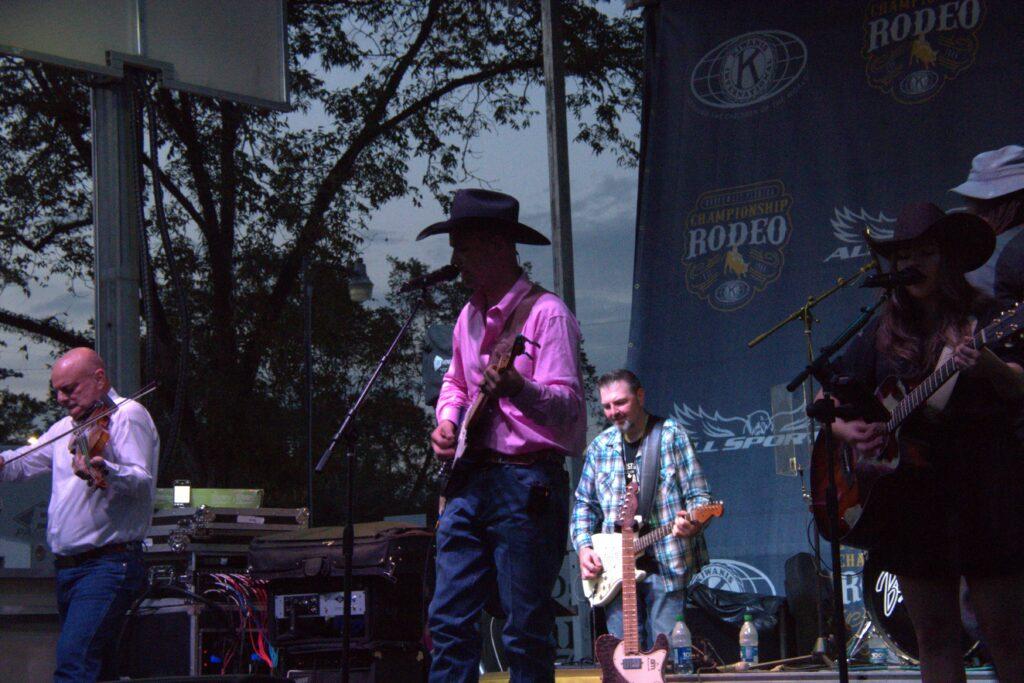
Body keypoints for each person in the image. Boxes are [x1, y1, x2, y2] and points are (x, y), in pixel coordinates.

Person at [828, 202, 1024, 682]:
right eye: (901, 255)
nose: (909, 264)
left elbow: (1020, 384)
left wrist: (990, 367)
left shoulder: (992, 315)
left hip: (985, 488)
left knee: (1009, 640)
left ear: (951, 258)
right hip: (916, 501)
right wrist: (846, 429)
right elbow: (828, 397)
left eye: (925, 252)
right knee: (934, 641)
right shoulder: (882, 327)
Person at [419, 188, 586, 682]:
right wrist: (447, 419)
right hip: (471, 481)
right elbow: (454, 382)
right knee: (447, 620)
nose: (456, 261)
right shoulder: (467, 317)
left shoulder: (547, 314)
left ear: (496, 247)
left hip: (526, 483)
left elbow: (570, 406)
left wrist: (519, 387)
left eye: (463, 248)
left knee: (525, 628)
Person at [0, 348, 159, 682]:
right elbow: (23, 463)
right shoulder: (67, 428)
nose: (60, 397)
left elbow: (142, 483)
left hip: (107, 564)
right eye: (56, 390)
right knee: (99, 669)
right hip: (70, 569)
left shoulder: (127, 415)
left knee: (75, 664)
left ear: (99, 379)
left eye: (69, 389)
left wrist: (106, 468)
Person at [571, 369, 711, 650]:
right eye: (607, 406)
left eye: (620, 403)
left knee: (665, 661)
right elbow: (584, 506)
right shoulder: (600, 447)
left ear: (640, 396)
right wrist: (584, 548)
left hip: (666, 565)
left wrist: (692, 524)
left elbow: (700, 498)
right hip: (614, 573)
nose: (613, 412)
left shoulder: (671, 436)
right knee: (625, 662)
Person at [951, 144, 1024, 310]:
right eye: (971, 201)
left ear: (1015, 202)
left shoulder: (989, 254)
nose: (973, 210)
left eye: (982, 203)